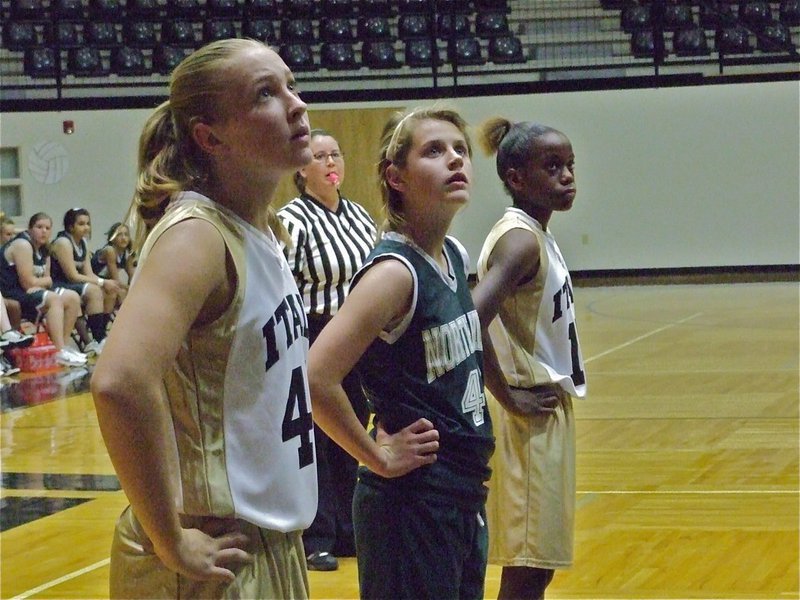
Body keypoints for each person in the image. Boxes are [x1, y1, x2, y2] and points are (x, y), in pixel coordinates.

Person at [89, 39, 436, 600]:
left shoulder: (265, 231)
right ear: (210, 136)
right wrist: (168, 538)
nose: (296, 104)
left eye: (291, 85)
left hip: (269, 539)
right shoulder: (197, 236)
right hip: (213, 549)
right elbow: (119, 383)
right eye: (265, 94)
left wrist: (370, 453)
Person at [307, 106, 493, 600]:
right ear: (397, 176)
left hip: (460, 491)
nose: (455, 160)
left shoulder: (453, 254)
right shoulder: (393, 273)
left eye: (460, 150)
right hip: (411, 503)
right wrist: (377, 457)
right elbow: (315, 378)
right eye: (434, 151)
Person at [471, 118, 587, 600]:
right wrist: (507, 393)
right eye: (552, 166)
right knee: (527, 567)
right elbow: (469, 319)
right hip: (526, 418)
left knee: (539, 566)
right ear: (517, 178)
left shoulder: (535, 234)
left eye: (570, 165)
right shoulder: (519, 240)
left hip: (543, 410)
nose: (567, 176)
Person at [278, 129, 377, 571]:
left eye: (335, 153)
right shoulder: (291, 220)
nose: (331, 162)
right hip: (314, 337)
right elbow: (284, 288)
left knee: (352, 431)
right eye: (319, 156)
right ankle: (316, 534)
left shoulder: (359, 216)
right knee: (317, 436)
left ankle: (347, 530)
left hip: (358, 339)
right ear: (302, 168)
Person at [0, 212, 87, 367]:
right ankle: (59, 351)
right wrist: (42, 282)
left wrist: (41, 283)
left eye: (47, 228)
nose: (44, 231)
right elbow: (28, 283)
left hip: (32, 291)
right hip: (13, 293)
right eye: (39, 227)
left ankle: (62, 347)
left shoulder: (45, 248)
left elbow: (48, 279)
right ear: (30, 229)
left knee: (72, 298)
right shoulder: (23, 245)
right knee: (53, 299)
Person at [50, 207, 122, 355]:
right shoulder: (63, 242)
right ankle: (97, 338)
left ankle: (99, 339)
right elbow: (72, 276)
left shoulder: (82, 242)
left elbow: (89, 273)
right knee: (94, 290)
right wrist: (101, 282)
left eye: (88, 223)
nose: (86, 227)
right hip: (58, 284)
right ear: (71, 226)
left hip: (73, 284)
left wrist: (105, 282)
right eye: (81, 224)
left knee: (109, 290)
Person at [90, 222, 136, 307]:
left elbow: (132, 276)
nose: (123, 238)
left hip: (108, 282)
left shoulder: (127, 254)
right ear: (112, 238)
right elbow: (116, 280)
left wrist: (133, 288)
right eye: (119, 235)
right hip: (94, 281)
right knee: (118, 292)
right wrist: (128, 288)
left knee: (132, 292)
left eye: (126, 235)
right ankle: (113, 319)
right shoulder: (109, 251)